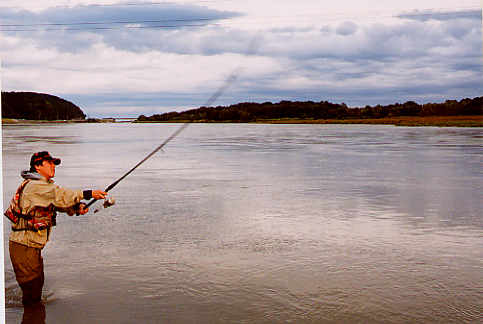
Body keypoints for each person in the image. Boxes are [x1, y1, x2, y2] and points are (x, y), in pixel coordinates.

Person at [5, 151, 107, 305]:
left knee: (36, 287)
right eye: (50, 163)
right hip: (24, 247)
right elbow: (59, 195)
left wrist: (77, 206)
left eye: (54, 164)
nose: (54, 166)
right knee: (32, 293)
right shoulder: (35, 186)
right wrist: (89, 194)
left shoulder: (43, 187)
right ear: (38, 166)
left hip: (29, 246)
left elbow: (56, 203)